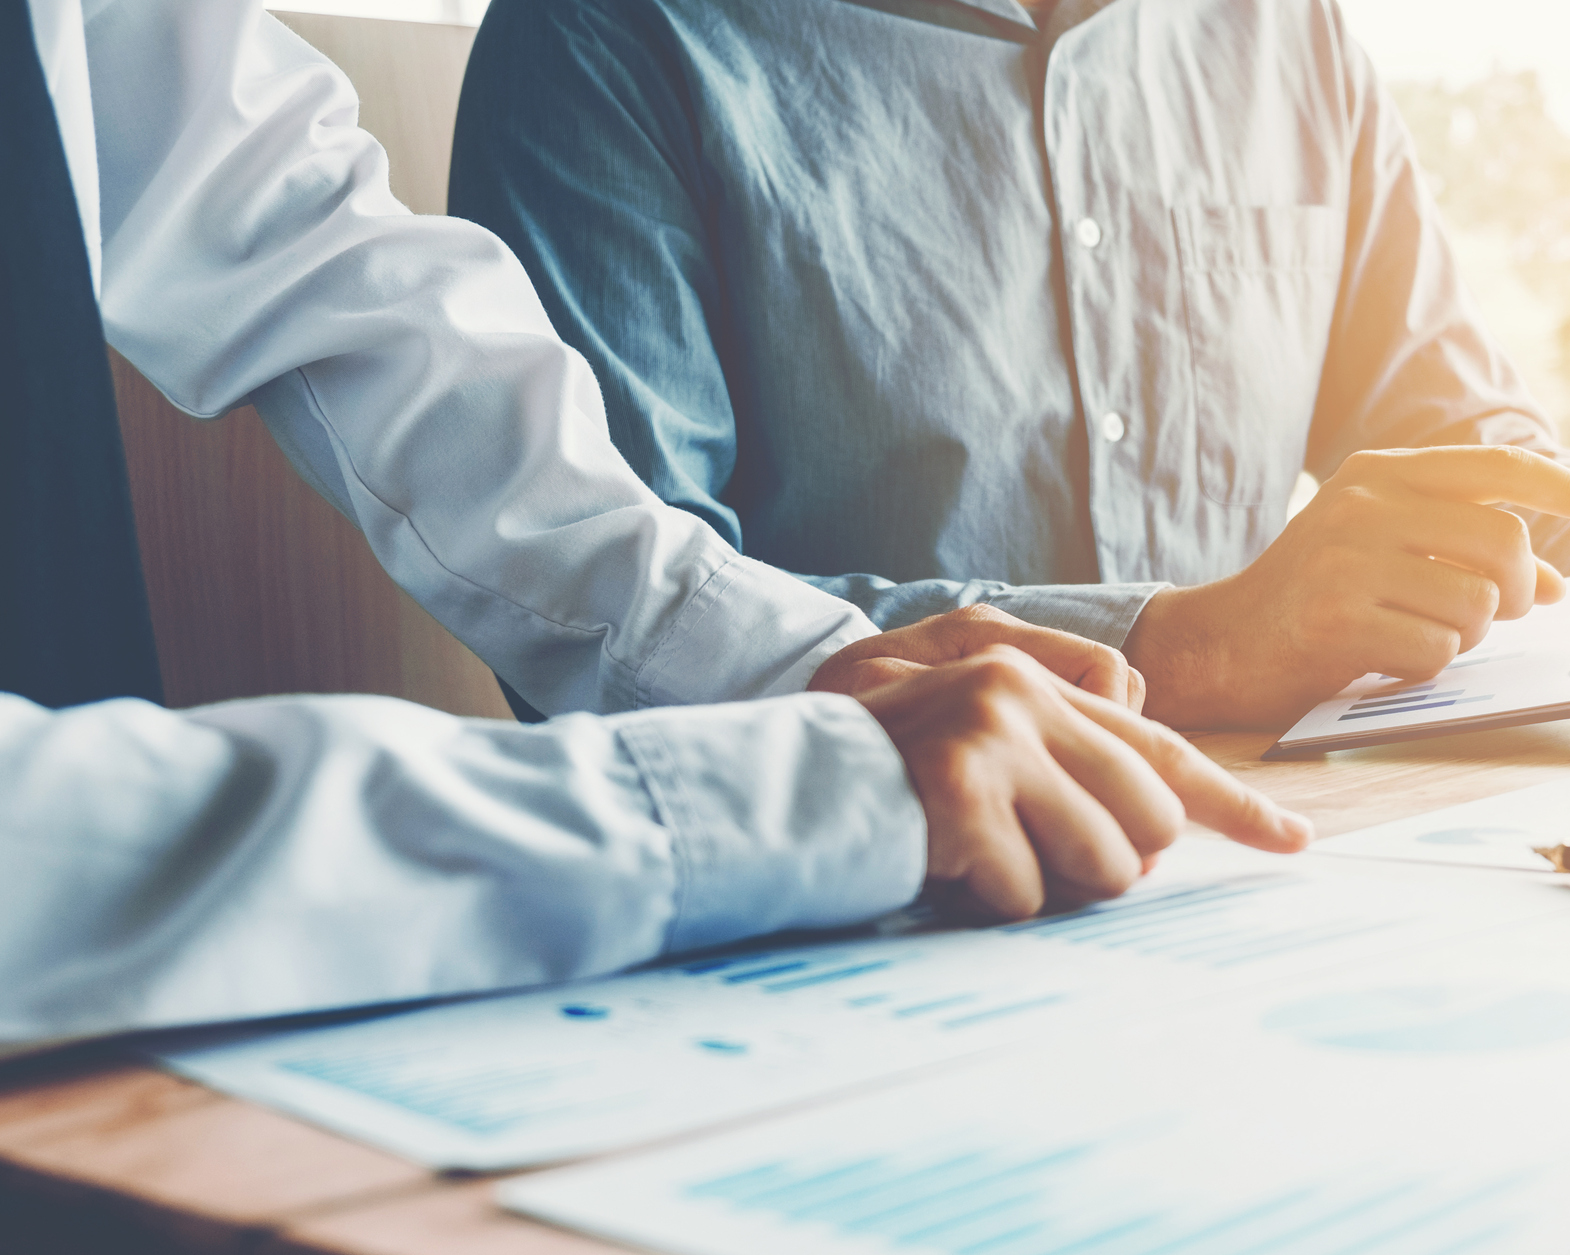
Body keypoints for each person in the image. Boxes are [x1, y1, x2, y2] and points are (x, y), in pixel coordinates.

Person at [0, 0, 1308, 1056]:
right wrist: (782, 787)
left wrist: (797, 667)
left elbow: (317, 256)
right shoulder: (615, 35)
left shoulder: (1281, 40)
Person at [448, 0, 1570, 732]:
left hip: (1286, 849)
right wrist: (1180, 645)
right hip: (863, 897)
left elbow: (1455, 441)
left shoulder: (1278, 33)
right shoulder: (608, 39)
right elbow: (618, 622)